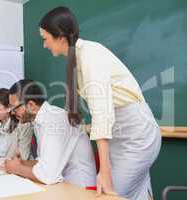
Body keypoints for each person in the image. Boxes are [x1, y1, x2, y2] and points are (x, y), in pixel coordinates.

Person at [38, 6, 161, 200]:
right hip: (120, 137)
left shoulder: (90, 54)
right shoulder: (76, 59)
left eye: (45, 38)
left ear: (60, 37)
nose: (44, 45)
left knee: (110, 194)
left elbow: (101, 113)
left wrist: (104, 171)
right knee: (135, 194)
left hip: (136, 137)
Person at [5, 79, 96, 188]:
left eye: (14, 108)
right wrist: (22, 163)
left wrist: (16, 168)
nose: (12, 113)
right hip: (64, 185)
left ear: (31, 105)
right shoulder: (41, 120)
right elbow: (43, 163)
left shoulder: (53, 121)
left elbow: (47, 176)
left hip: (82, 190)